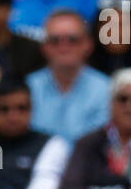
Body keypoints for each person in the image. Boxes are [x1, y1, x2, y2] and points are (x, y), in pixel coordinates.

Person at [0, 78, 70, 189]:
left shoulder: (51, 145)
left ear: (32, 108)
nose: (13, 116)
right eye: (4, 109)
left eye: (21, 108)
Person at [25, 9, 112, 141]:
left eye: (72, 39)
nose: (63, 46)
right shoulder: (27, 88)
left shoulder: (108, 89)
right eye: (55, 40)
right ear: (44, 47)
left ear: (88, 44)